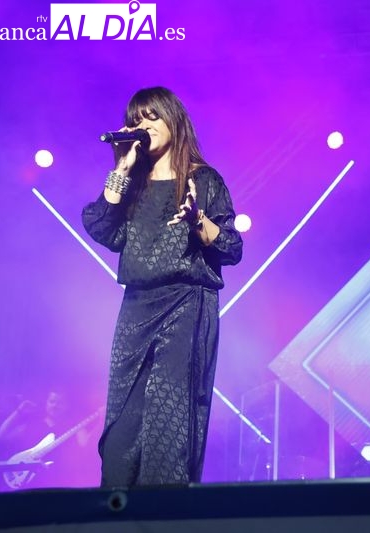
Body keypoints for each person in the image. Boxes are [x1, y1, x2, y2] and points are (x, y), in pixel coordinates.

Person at [82, 87, 243, 487]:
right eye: (135, 120)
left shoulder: (203, 180)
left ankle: (165, 517)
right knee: (122, 428)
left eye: (151, 117)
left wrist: (197, 220)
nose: (142, 126)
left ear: (173, 118)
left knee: (168, 424)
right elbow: (101, 227)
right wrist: (120, 169)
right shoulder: (132, 184)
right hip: (136, 308)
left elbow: (232, 246)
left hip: (186, 306)